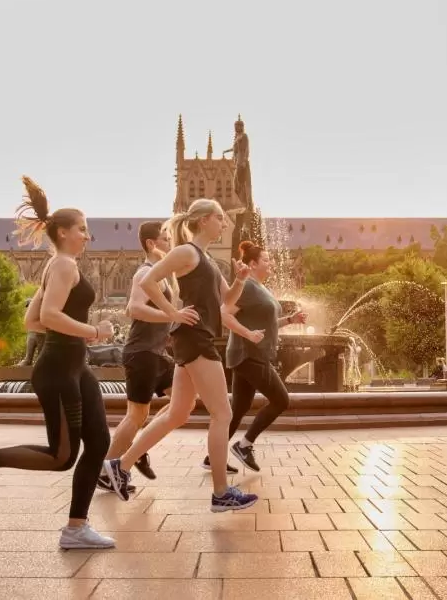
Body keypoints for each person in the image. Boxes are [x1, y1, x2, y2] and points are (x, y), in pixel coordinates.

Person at [0, 177, 117, 550]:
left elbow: (32, 321)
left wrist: (77, 333)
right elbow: (51, 315)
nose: (88, 236)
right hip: (59, 368)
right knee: (62, 457)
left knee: (99, 441)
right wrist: (95, 331)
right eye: (83, 229)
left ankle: (76, 528)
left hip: (75, 366)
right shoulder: (61, 266)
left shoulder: (58, 265)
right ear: (63, 232)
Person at [103, 198, 259, 512]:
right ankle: (220, 492)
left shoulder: (207, 259)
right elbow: (147, 281)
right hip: (194, 339)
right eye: (219, 217)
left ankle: (120, 466)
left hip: (195, 338)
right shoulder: (186, 252)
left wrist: (241, 278)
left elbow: (225, 300)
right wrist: (173, 312)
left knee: (178, 413)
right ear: (203, 220)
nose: (224, 223)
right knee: (222, 414)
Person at [97, 221, 199, 491]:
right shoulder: (144, 272)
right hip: (141, 353)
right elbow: (135, 308)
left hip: (157, 354)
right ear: (151, 244)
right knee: (136, 415)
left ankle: (138, 447)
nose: (170, 243)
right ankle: (107, 471)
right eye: (165, 239)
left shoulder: (163, 276)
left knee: (185, 403)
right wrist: (172, 314)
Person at [221, 241, 306, 472]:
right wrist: (248, 334)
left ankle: (213, 457)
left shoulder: (261, 287)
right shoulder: (247, 286)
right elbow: (224, 314)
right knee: (281, 400)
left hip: (251, 353)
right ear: (252, 263)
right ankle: (244, 445)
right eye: (267, 260)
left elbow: (266, 325)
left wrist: (290, 320)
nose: (272, 264)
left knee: (239, 408)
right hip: (248, 354)